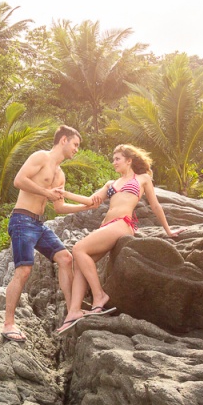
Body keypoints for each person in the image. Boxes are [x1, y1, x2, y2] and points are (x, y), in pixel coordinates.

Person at [56, 143, 182, 334]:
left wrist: (169, 230)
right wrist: (65, 194)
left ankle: (99, 296)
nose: (114, 162)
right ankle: (74, 311)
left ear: (129, 160)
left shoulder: (142, 178)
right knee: (80, 262)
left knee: (79, 248)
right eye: (113, 159)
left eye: (117, 159)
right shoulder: (110, 184)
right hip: (106, 226)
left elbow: (155, 206)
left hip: (123, 223)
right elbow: (91, 201)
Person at [2, 125, 100, 342]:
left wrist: (86, 207)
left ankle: (72, 311)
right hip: (22, 220)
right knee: (24, 271)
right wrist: (47, 192)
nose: (76, 149)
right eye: (75, 144)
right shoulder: (41, 157)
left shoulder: (60, 174)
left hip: (39, 224)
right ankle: (8, 324)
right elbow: (19, 180)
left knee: (66, 258)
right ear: (63, 140)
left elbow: (59, 207)